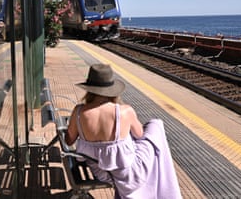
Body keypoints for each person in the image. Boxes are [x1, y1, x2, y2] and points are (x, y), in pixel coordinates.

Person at [65, 64, 182, 199]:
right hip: (127, 173)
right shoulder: (124, 111)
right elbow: (140, 135)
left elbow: (69, 140)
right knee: (156, 126)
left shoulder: (79, 111)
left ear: (89, 89)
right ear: (111, 89)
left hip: (101, 173)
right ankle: (165, 190)